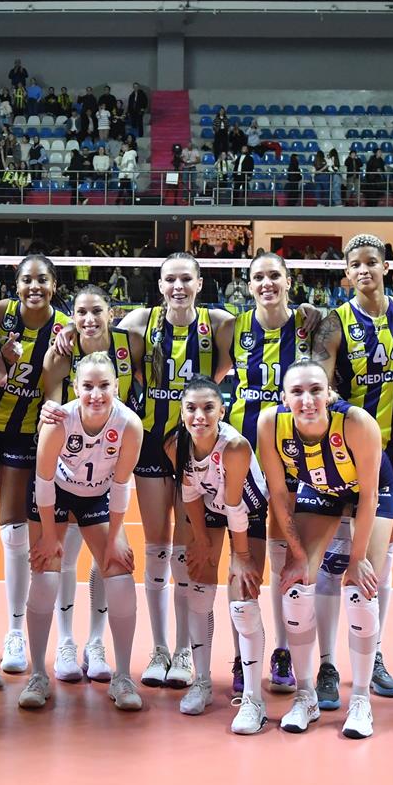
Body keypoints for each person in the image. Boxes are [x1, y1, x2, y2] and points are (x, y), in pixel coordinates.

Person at [55, 253, 235, 689]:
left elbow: (259, 334)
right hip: (152, 442)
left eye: (186, 279)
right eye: (170, 279)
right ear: (159, 285)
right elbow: (97, 332)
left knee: (186, 550)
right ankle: (158, 648)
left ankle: (184, 651)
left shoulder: (219, 323)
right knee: (156, 547)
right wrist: (69, 332)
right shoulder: (140, 322)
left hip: (195, 442)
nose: (178, 286)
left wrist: (307, 316)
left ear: (200, 282)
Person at [256, 359, 393, 739]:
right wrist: (298, 554)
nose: (307, 400)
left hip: (369, 492)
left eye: (315, 390)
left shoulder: (356, 423)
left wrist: (357, 559)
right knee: (296, 584)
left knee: (361, 589)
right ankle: (306, 695)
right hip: (319, 489)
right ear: (284, 398)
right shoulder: (270, 424)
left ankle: (361, 700)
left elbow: (369, 496)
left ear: (329, 393)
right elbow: (279, 495)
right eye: (297, 392)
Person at [309, 233, 393, 705]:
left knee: (380, 563)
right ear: (346, 273)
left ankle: (372, 655)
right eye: (356, 264)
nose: (364, 270)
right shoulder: (335, 322)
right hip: (347, 458)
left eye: (372, 262)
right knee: (335, 562)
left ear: (386, 267)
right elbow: (317, 374)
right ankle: (327, 664)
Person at [0, 256, 69, 675]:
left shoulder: (65, 330)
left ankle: (15, 631)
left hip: (24, 433)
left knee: (14, 530)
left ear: (54, 285)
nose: (34, 286)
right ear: (16, 285)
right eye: (26, 279)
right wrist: (0, 361)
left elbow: (59, 382)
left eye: (42, 279)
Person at [17, 353, 145, 712]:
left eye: (104, 385)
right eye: (87, 386)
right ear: (75, 388)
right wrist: (48, 535)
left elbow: (121, 485)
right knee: (45, 576)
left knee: (120, 575)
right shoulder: (60, 421)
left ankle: (122, 677)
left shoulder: (129, 425)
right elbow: (43, 481)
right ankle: (38, 675)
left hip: (97, 496)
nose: (96, 394)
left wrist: (115, 538)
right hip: (54, 494)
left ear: (116, 387)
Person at [38, 285, 143, 682]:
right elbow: (50, 398)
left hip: (108, 464)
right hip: (66, 465)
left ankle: (96, 642)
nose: (88, 318)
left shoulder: (130, 343)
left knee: (110, 561)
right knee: (60, 557)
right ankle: (65, 641)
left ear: (110, 312)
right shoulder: (61, 351)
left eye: (97, 310)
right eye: (80, 312)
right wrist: (50, 410)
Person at [225, 252, 311, 697]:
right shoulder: (233, 328)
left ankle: (283, 652)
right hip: (244, 456)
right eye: (258, 276)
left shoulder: (313, 325)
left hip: (293, 455)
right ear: (249, 284)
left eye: (274, 275)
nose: (266, 283)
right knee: (243, 560)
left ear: (288, 280)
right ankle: (242, 656)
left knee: (285, 557)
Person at [167, 378, 269, 734]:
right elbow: (190, 493)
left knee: (243, 598)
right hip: (210, 505)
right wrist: (200, 540)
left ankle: (254, 699)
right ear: (182, 414)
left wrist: (240, 555)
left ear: (222, 412)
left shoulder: (235, 447)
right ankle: (202, 681)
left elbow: (235, 505)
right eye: (192, 408)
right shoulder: (176, 444)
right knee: (198, 589)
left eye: (208, 408)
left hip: (247, 509)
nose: (200, 416)